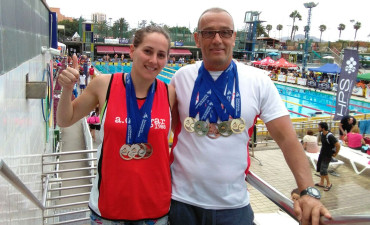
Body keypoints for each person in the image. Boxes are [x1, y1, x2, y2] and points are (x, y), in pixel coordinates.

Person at [169, 7, 331, 225]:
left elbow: (287, 139)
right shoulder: (180, 78)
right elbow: (165, 130)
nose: (217, 39)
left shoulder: (258, 81)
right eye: (209, 33)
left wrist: (308, 191)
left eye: (225, 32)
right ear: (197, 39)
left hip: (233, 206)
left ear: (234, 37)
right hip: (181, 202)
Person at [57, 25, 175, 224]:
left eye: (161, 55)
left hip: (156, 209)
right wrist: (67, 89)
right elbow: (65, 119)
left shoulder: (169, 92)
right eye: (147, 51)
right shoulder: (104, 84)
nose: (154, 60)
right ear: (131, 50)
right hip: (108, 207)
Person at [315, 122, 340, 192]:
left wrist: (335, 154)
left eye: (319, 127)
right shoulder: (322, 133)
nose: (318, 128)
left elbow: (338, 145)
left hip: (328, 154)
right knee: (320, 167)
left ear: (323, 128)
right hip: (322, 153)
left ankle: (329, 183)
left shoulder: (330, 136)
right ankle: (321, 182)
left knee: (324, 169)